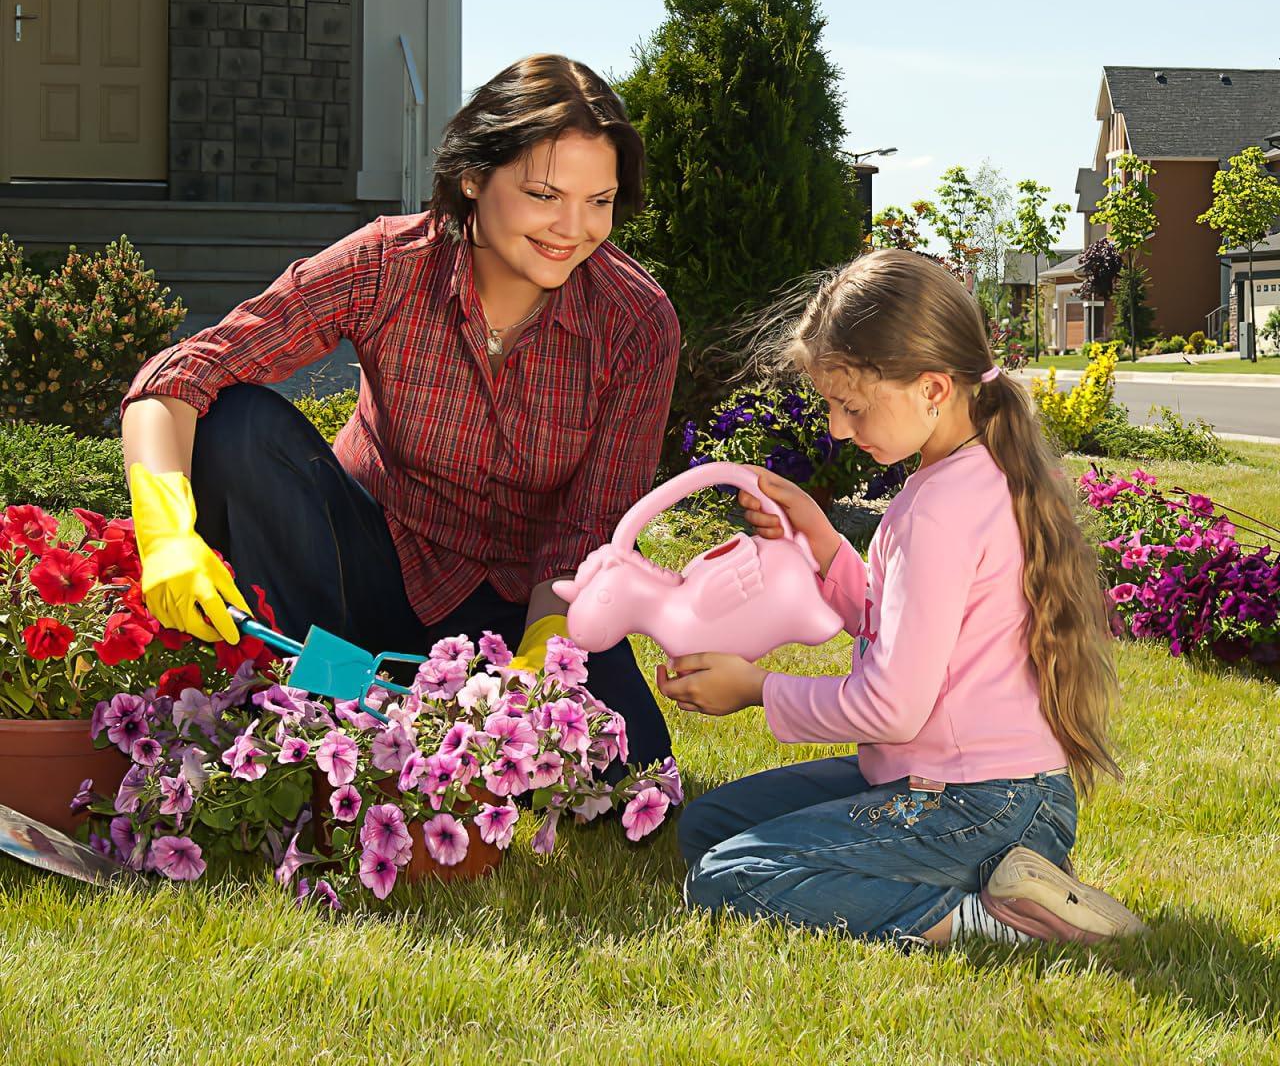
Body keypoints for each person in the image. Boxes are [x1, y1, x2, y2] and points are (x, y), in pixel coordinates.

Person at [121, 54, 677, 766]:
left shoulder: (637, 321)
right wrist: (165, 534)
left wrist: (545, 655)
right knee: (239, 423)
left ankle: (414, 714)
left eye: (598, 201)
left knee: (630, 773)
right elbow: (185, 372)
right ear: (475, 177)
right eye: (544, 194)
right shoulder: (389, 264)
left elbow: (590, 524)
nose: (573, 227)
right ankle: (330, 702)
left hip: (524, 599)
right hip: (368, 571)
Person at [658, 249, 1145, 945]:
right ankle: (1006, 874)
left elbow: (891, 706)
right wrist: (823, 539)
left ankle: (989, 920)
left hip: (972, 802)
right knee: (710, 827)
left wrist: (758, 689)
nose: (835, 428)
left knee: (725, 877)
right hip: (996, 793)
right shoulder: (966, 473)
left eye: (850, 405)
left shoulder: (939, 509)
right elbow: (908, 617)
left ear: (933, 389)